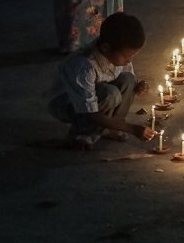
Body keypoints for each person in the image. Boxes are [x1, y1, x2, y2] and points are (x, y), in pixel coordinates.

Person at [47, 12, 155, 150]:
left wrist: (138, 86)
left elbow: (127, 79)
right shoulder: (84, 67)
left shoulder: (114, 53)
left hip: (97, 93)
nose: (129, 60)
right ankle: (82, 135)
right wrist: (132, 129)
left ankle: (113, 128)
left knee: (129, 79)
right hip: (67, 103)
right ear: (105, 48)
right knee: (111, 94)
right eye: (127, 56)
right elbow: (91, 114)